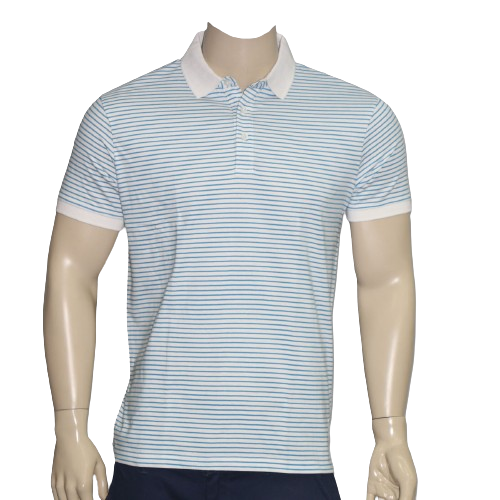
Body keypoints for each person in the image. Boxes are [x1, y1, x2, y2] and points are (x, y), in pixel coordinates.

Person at [44, 22, 417, 500]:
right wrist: (70, 428)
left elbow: (386, 281)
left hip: (292, 456)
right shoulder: (119, 116)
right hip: (155, 454)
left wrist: (391, 430)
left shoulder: (361, 119)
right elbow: (71, 271)